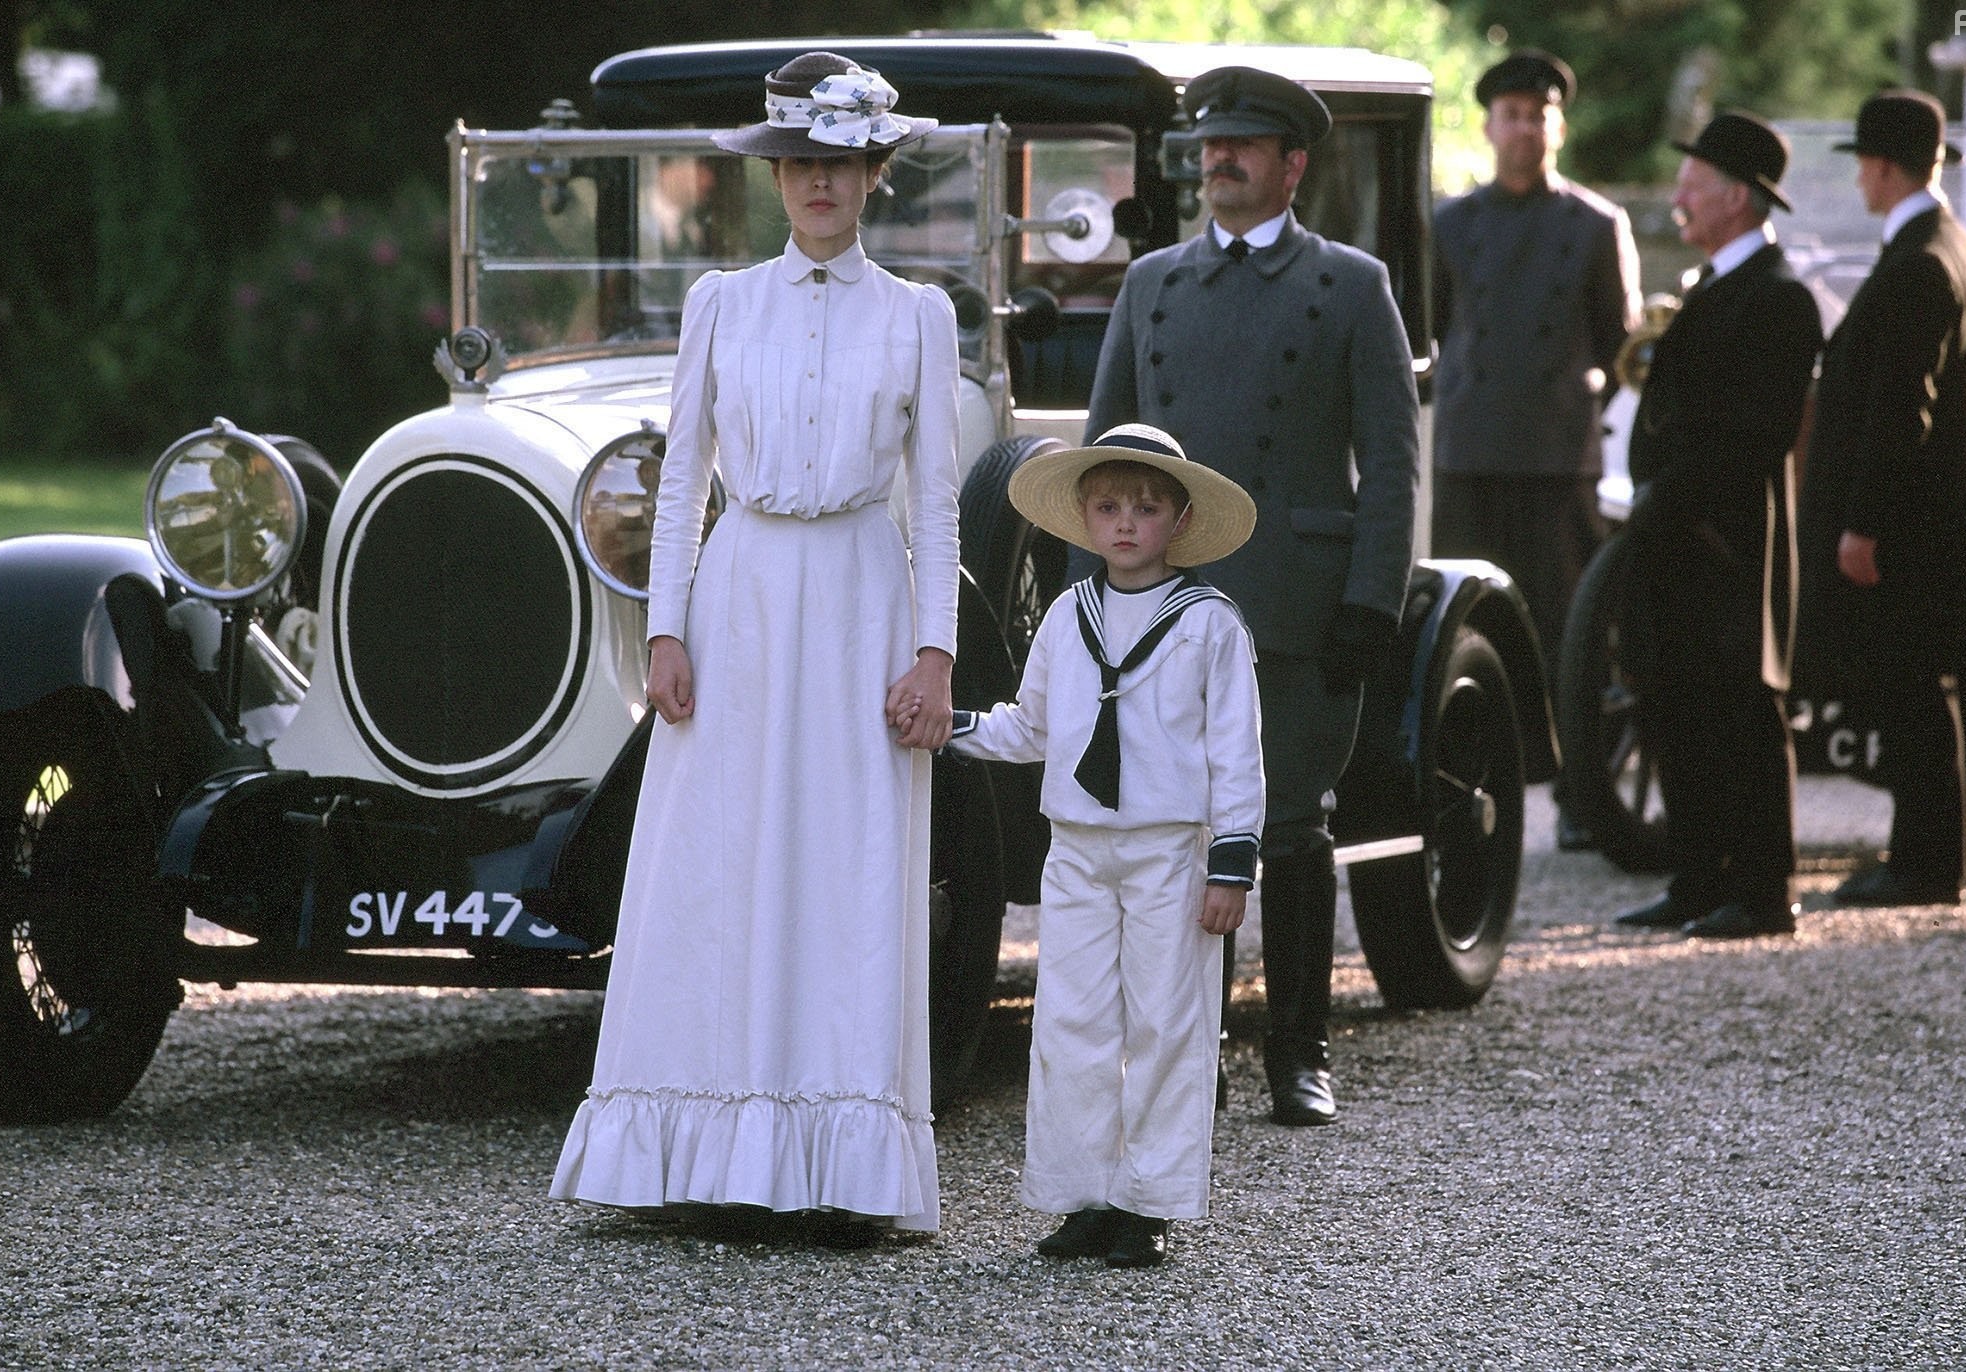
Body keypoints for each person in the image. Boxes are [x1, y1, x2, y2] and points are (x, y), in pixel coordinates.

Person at [551, 52, 961, 1241]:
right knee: (713, 858)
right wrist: (665, 626)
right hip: (738, 595)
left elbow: (931, 499)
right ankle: (688, 1153)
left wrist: (932, 652)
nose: (818, 184)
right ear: (773, 174)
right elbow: (680, 484)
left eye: (841, 163)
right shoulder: (722, 303)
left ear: (876, 173)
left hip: (855, 594)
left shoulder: (917, 316)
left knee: (844, 864)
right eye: (799, 164)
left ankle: (838, 1168)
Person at [1087, 67, 1418, 1127]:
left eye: (1241, 145)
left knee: (1285, 828)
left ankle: (1298, 1051)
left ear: (1292, 167)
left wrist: (1372, 603)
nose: (1217, 160)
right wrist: (1080, 609)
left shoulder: (1352, 284)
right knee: (1181, 832)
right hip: (1164, 607)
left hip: (1296, 604)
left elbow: (1393, 465)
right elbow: (1099, 457)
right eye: (1209, 144)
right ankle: (1194, 1053)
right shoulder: (1150, 285)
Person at [948, 423, 1264, 1268]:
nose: (1126, 523)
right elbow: (1033, 728)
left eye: (1147, 508)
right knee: (1071, 1021)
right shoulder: (1065, 614)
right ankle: (1083, 1196)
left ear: (1179, 517)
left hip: (1167, 850)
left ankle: (1149, 1204)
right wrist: (948, 728)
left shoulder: (1208, 624)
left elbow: (1236, 753)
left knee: (1165, 1023)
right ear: (1084, 517)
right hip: (1079, 849)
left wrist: (1230, 864)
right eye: (1109, 507)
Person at [1609, 112, 1822, 939]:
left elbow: (1758, 431)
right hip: (1673, 535)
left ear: (1735, 197)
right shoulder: (1713, 288)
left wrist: (1676, 500)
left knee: (1741, 708)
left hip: (1728, 540)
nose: (1679, 198)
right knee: (1673, 702)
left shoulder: (1777, 296)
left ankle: (1764, 890)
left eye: (1693, 184)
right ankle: (1697, 876)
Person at [1431, 50, 1641, 847]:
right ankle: (1464, 790)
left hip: (1558, 457)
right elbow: (1430, 332)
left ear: (1557, 124)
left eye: (1538, 114)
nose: (1525, 128)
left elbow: (1623, 347)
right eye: (1511, 114)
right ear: (1488, 126)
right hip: (1469, 452)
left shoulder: (1594, 225)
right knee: (1463, 629)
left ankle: (1582, 801)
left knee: (1568, 637)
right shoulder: (1449, 222)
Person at [1802, 92, 1966, 906]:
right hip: (1938, 510)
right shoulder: (1954, 246)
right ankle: (1929, 856)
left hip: (1908, 520)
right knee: (1924, 685)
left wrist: (1862, 523)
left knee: (1912, 686)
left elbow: (1900, 406)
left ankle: (1924, 864)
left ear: (1877, 167)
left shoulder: (1916, 260)